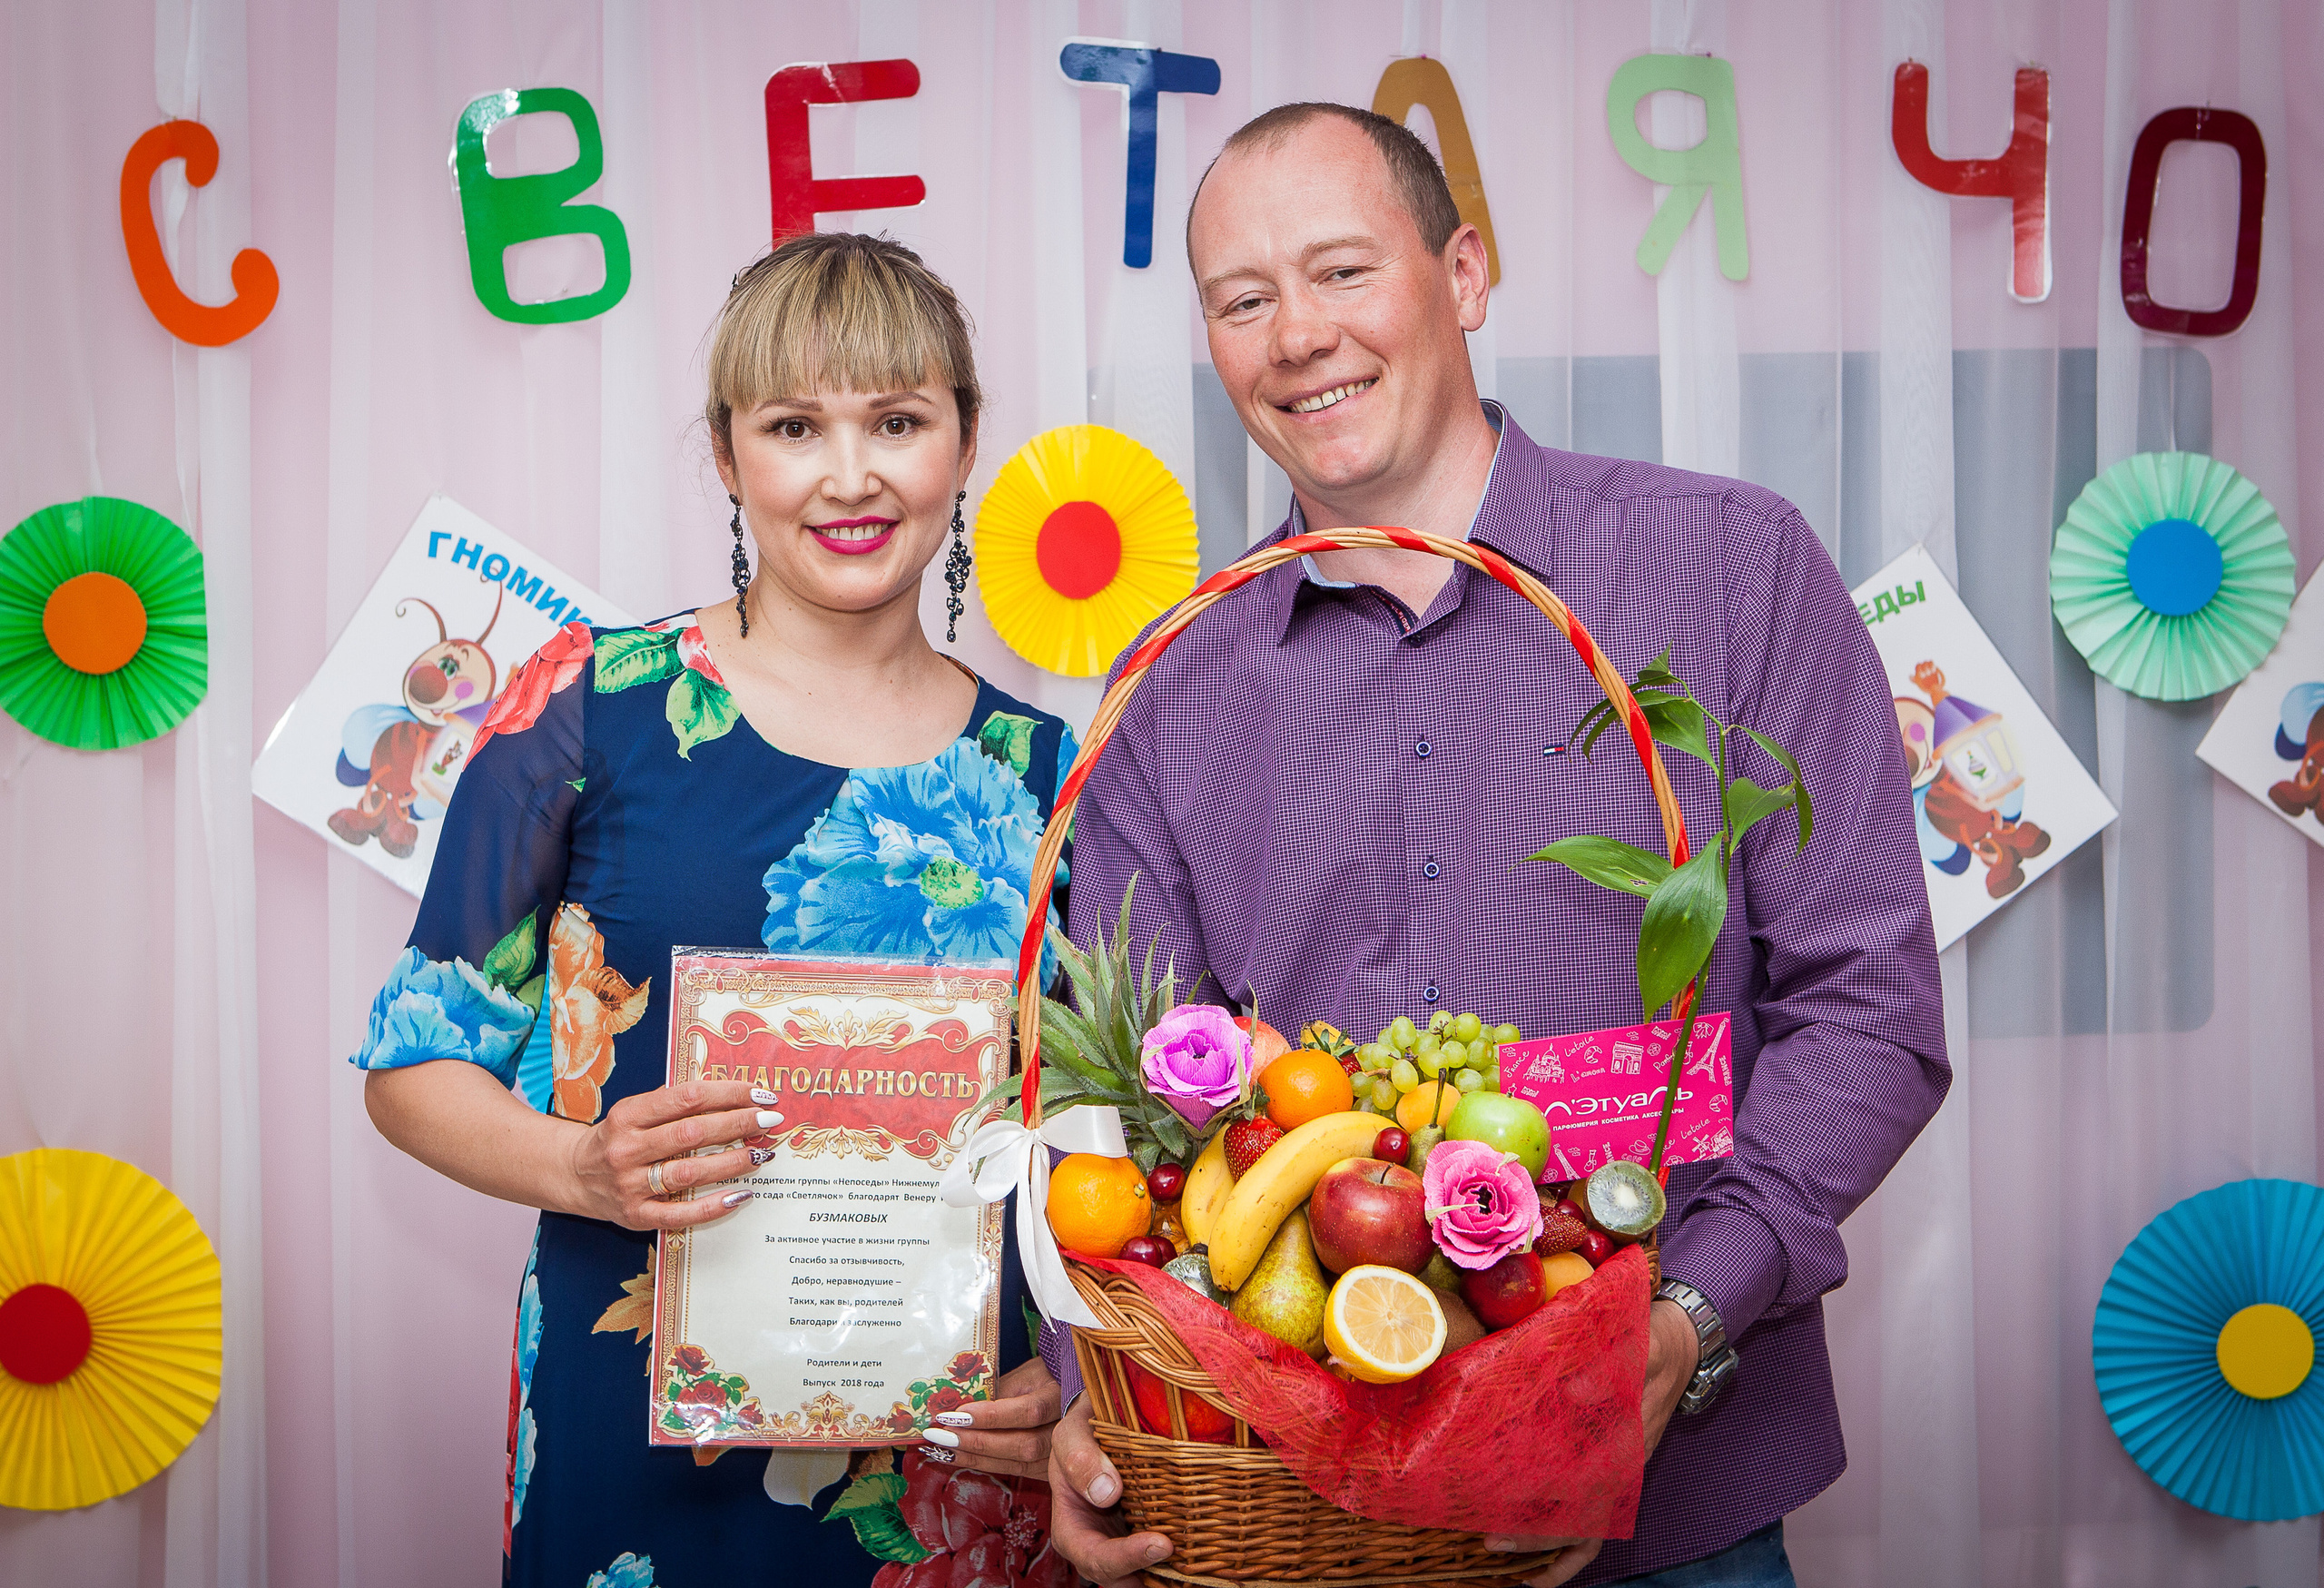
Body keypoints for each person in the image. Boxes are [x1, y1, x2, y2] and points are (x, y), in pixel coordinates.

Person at [1043, 104, 1948, 1588]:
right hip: (1295, 1518)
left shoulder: (1727, 566)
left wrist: (1688, 1329)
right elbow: (1125, 1112)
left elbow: (1870, 1011)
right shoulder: (1174, 673)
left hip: (1677, 1511)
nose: (1297, 337)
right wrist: (1102, 1408)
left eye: (1342, 271)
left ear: (1463, 272)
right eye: (1243, 299)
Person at [357, 232, 1074, 1587]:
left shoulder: (1051, 771)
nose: (850, 476)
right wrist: (582, 1167)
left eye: (899, 421)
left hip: (957, 1461)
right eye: (796, 425)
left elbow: (1088, 1145)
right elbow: (410, 1066)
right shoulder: (587, 703)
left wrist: (1079, 1383)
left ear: (964, 442)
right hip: (632, 1425)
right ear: (728, 452)